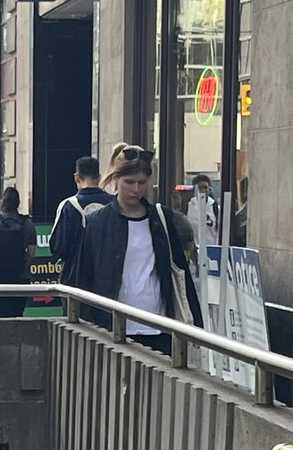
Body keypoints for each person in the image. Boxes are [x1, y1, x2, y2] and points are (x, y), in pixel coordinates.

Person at [74, 143, 202, 354]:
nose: (136, 189)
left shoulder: (161, 219)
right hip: (113, 327)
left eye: (142, 183)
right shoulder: (97, 222)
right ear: (116, 179)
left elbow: (180, 270)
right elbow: (83, 277)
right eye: (129, 182)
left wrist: (195, 320)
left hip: (159, 325)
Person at [49, 155, 114, 283]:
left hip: (75, 278)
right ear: (99, 177)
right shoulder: (114, 203)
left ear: (76, 177)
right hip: (109, 278)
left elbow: (57, 246)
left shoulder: (68, 206)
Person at [0, 187, 36, 318]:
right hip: (21, 276)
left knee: (2, 314)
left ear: (2, 201)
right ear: (18, 203)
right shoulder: (27, 224)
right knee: (18, 314)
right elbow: (32, 254)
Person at [187, 173, 218, 245]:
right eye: (200, 188)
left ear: (209, 190)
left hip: (212, 248)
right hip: (195, 249)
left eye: (205, 187)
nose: (203, 190)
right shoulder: (189, 206)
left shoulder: (215, 208)